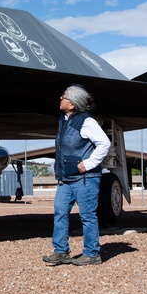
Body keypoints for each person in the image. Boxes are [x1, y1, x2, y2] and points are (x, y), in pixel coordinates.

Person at [44, 84, 111, 266]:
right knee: (60, 212)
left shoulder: (87, 121)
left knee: (88, 216)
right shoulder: (63, 119)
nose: (60, 98)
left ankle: (92, 254)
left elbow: (104, 143)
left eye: (64, 96)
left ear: (72, 104)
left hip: (85, 178)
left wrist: (88, 164)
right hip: (66, 178)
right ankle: (61, 252)